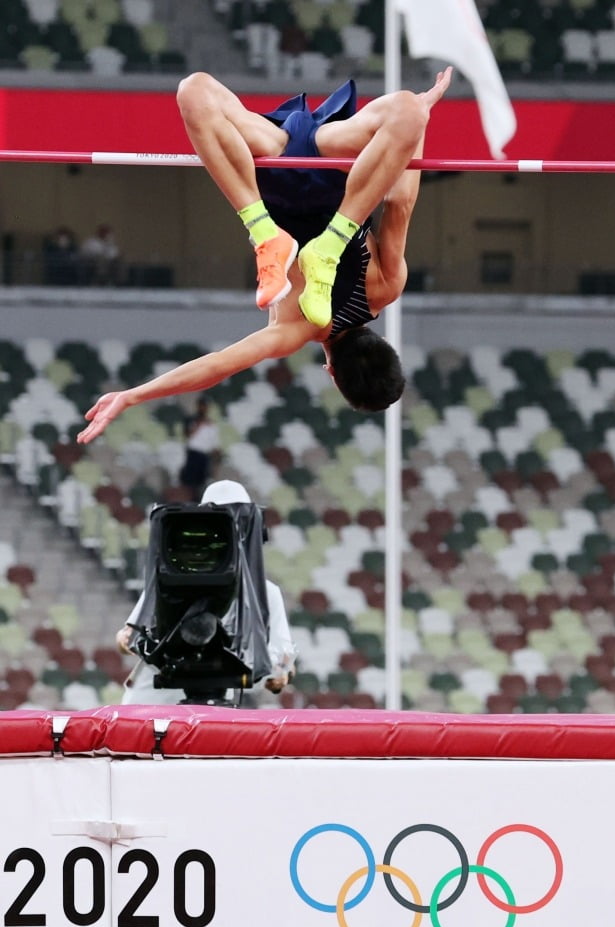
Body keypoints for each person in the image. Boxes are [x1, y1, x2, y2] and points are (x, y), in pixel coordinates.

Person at [77, 66, 452, 445]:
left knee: (407, 109)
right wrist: (132, 395)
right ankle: (308, 239)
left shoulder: (386, 287)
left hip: (322, 161)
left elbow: (401, 201)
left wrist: (417, 123)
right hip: (284, 177)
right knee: (192, 92)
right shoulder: (296, 329)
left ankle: (266, 234)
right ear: (332, 373)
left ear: (384, 342)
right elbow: (220, 365)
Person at [116, 479, 297, 704]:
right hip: (151, 705)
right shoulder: (172, 580)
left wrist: (279, 672)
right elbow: (127, 638)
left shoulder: (265, 593)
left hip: (212, 709)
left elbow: (282, 658)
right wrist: (132, 640)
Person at [178, 394, 220, 500]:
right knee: (190, 483)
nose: (204, 408)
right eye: (202, 405)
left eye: (206, 405)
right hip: (193, 454)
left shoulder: (211, 424)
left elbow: (213, 443)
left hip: (204, 456)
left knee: (202, 483)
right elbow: (187, 434)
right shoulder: (191, 420)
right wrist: (198, 424)